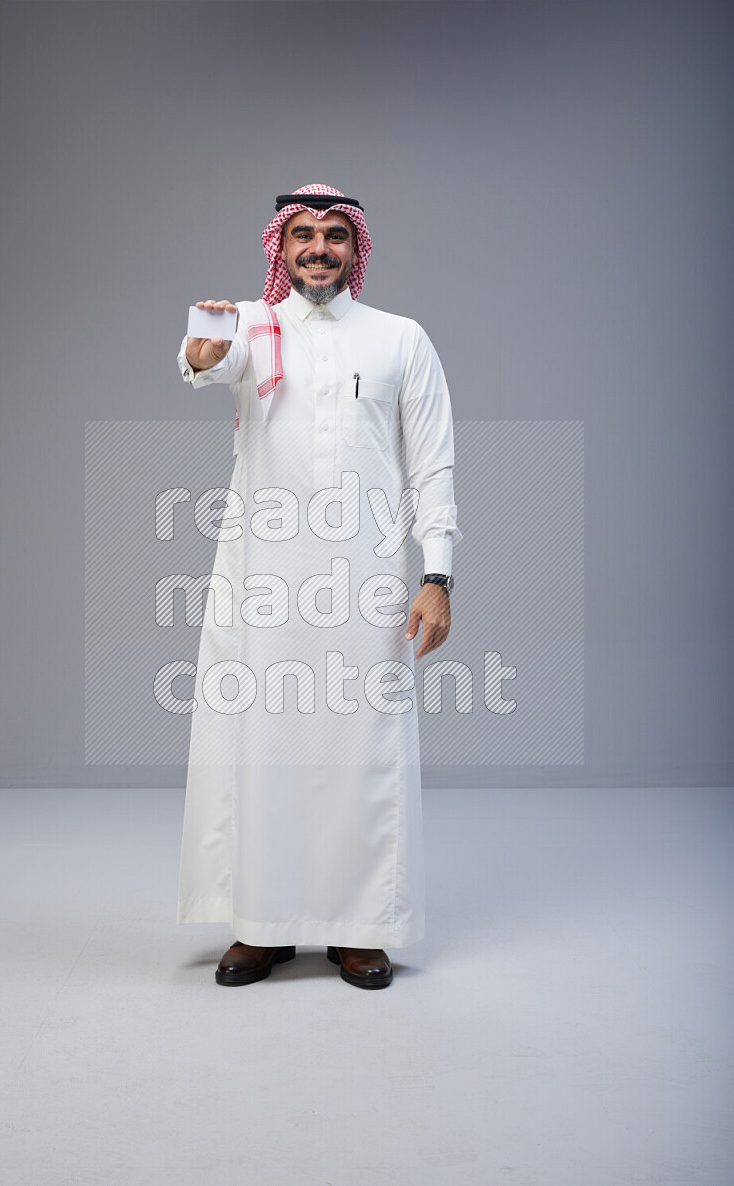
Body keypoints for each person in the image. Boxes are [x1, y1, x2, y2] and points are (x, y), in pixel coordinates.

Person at [175, 183, 462, 989]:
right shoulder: (249, 323)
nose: (318, 249)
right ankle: (262, 927)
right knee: (261, 744)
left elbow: (433, 464)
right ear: (280, 245)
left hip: (367, 577)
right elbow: (209, 360)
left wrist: (436, 574)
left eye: (335, 235)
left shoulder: (401, 339)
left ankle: (360, 927)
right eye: (302, 234)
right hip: (262, 577)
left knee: (360, 751)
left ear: (356, 247)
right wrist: (202, 350)